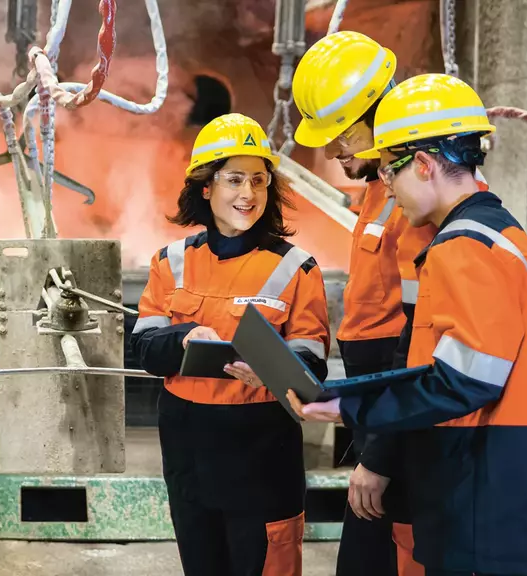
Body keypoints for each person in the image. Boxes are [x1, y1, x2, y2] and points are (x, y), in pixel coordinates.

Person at [288, 73, 527, 576]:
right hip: (491, 474)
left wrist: (346, 404)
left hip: (484, 483)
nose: (383, 185)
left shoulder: (465, 248)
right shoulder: (498, 234)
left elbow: (463, 382)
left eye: (387, 170)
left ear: (423, 164)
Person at [130, 113, 331, 576]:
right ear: (205, 187)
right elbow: (143, 349)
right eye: (235, 179)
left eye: (259, 181)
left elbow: (312, 363)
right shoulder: (171, 261)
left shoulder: (295, 267)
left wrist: (275, 369)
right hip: (188, 450)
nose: (249, 194)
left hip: (260, 449)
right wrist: (184, 337)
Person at [292, 30, 433, 576]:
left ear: (378, 114)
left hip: (398, 406)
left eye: (340, 134)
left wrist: (379, 455)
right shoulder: (381, 188)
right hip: (375, 398)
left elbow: (418, 345)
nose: (331, 151)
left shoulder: (414, 202)